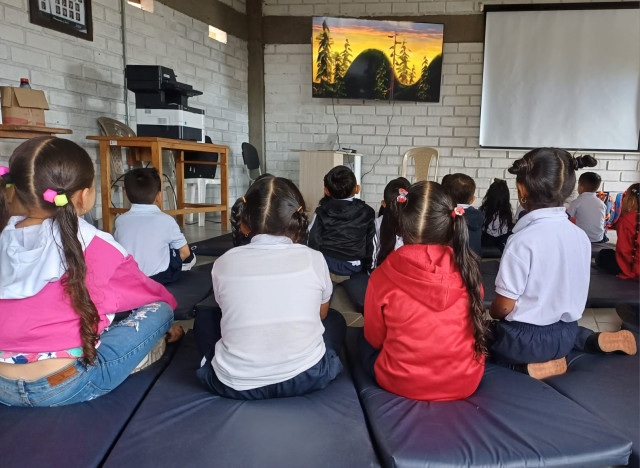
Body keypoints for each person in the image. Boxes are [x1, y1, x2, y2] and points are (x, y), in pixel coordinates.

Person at [0, 137, 177, 407]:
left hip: (3, 388)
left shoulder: (3, 235)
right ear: (84, 196)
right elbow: (147, 294)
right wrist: (170, 308)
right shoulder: (96, 245)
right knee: (161, 310)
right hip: (67, 384)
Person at [489, 148, 636, 380]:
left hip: (524, 342)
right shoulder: (579, 236)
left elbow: (504, 307)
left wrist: (491, 311)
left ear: (521, 190)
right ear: (568, 189)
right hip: (565, 334)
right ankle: (593, 339)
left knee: (483, 336)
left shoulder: (521, 241)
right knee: (557, 326)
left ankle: (524, 368)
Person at [194, 176, 345, 399]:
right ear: (297, 221)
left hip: (234, 384)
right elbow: (320, 315)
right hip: (307, 377)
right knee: (334, 320)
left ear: (244, 223)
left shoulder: (223, 262)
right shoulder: (314, 259)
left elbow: (227, 310)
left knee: (204, 319)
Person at [361, 181, 486, 401]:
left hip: (400, 382)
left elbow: (375, 339)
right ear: (450, 222)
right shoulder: (469, 270)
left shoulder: (383, 274)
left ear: (400, 223)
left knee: (357, 344)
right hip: (465, 381)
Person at [114, 168, 195, 285]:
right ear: (159, 196)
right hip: (160, 278)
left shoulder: (120, 221)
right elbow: (185, 252)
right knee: (185, 252)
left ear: (126, 194)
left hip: (130, 278)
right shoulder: (167, 220)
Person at [308, 165, 376, 280]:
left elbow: (312, 240)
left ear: (326, 191)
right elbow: (371, 245)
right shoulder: (368, 212)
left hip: (327, 264)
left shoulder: (321, 211)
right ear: (357, 189)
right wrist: (369, 268)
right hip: (355, 266)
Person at [595, 183, 639, 279]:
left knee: (603, 255)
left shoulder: (627, 220)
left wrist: (628, 272)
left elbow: (623, 251)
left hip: (631, 268)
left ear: (630, 200)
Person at [442, 173, 484, 256]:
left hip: (449, 266)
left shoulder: (443, 216)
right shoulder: (478, 216)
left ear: (446, 197)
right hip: (473, 266)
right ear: (472, 199)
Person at [372, 177, 411, 268]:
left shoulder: (376, 224)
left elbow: (372, 261)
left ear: (384, 204)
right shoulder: (417, 225)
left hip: (380, 276)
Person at [567, 171, 608, 243]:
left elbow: (567, 218)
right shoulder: (602, 203)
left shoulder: (577, 202)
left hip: (583, 239)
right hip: (599, 238)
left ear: (581, 187)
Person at [479, 178, 514, 252]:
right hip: (502, 246)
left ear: (489, 195)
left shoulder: (482, 211)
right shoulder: (507, 214)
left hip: (485, 245)